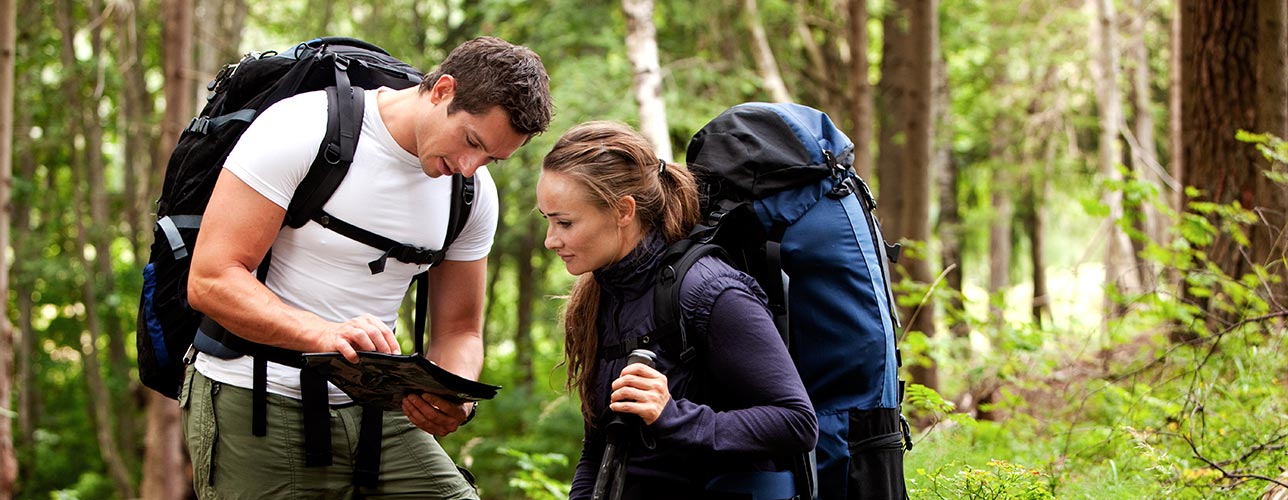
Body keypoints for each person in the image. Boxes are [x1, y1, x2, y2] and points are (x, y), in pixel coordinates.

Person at [182, 36, 553, 498]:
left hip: (382, 414)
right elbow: (212, 279)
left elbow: (460, 331)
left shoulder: (473, 193)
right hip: (254, 398)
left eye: (491, 158)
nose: (469, 165)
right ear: (442, 90)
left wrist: (451, 396)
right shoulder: (304, 127)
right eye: (471, 142)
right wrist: (323, 334)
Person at [536, 121, 818, 499]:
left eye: (565, 222)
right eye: (548, 220)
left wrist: (672, 415)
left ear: (624, 211)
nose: (550, 240)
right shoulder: (600, 295)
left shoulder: (710, 291)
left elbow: (796, 423)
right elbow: (602, 442)